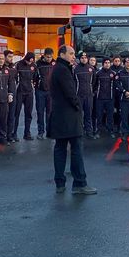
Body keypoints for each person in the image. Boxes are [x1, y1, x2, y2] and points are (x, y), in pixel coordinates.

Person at [48, 45, 97, 195]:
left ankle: (60, 183)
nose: (73, 56)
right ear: (62, 54)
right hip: (68, 116)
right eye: (71, 53)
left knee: (60, 149)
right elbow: (70, 93)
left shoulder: (57, 68)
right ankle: (80, 183)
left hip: (59, 115)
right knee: (76, 149)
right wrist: (78, 107)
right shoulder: (63, 70)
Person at [13, 52, 37, 141]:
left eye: (31, 61)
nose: (29, 63)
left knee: (29, 114)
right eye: (28, 61)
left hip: (29, 92)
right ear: (25, 59)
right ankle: (13, 133)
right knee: (16, 114)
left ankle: (27, 133)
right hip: (19, 92)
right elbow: (14, 77)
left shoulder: (34, 66)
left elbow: (35, 77)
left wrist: (33, 85)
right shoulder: (18, 65)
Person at [74, 51, 96, 139]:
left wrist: (92, 92)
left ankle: (89, 132)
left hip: (89, 96)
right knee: (79, 115)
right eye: (82, 58)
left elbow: (94, 81)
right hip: (79, 95)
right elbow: (73, 82)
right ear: (79, 59)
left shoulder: (91, 69)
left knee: (88, 114)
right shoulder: (75, 69)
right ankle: (79, 131)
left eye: (85, 58)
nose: (84, 59)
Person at [34, 48, 54, 140]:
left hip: (51, 91)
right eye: (47, 57)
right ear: (44, 55)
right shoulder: (38, 64)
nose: (49, 59)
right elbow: (34, 76)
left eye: (50, 57)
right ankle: (40, 132)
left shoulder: (55, 63)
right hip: (40, 91)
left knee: (50, 113)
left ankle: (49, 131)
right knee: (40, 112)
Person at [94, 58, 116, 138]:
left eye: (108, 63)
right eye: (105, 63)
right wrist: (96, 92)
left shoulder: (113, 73)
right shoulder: (98, 73)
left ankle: (110, 130)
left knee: (110, 116)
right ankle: (98, 131)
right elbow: (94, 84)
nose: (107, 64)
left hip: (110, 98)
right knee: (99, 116)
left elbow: (115, 86)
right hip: (99, 98)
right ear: (103, 64)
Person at [4, 49, 19, 142]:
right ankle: (2, 136)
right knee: (3, 117)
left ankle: (10, 135)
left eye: (12, 57)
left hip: (13, 94)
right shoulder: (1, 68)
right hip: (2, 95)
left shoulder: (13, 67)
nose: (11, 58)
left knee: (11, 116)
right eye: (9, 56)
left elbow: (15, 79)